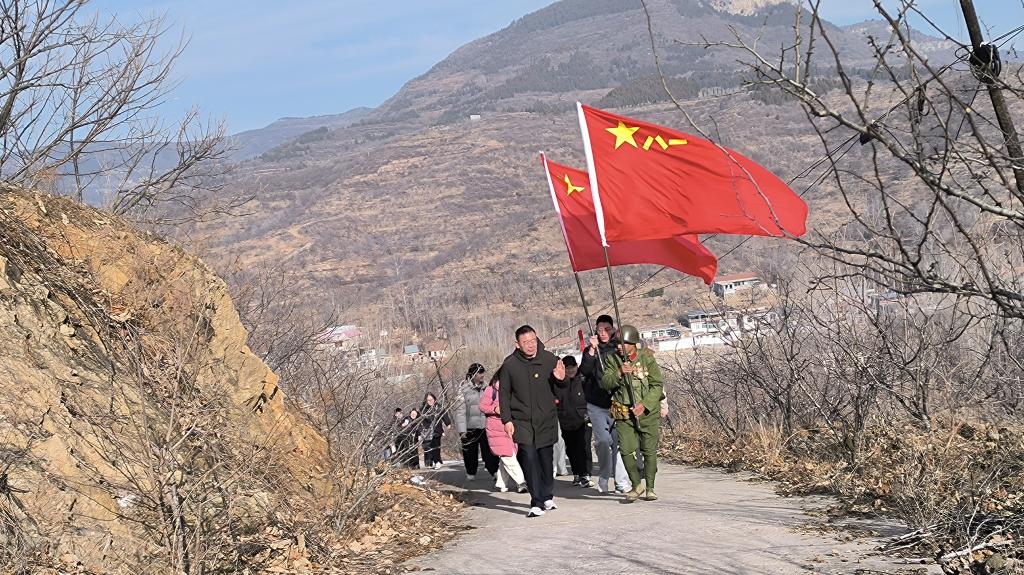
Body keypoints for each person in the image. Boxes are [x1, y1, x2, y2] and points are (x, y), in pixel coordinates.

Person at [499, 325, 566, 517]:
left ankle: (547, 496)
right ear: (517, 344)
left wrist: (561, 380)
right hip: (522, 420)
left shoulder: (549, 359)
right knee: (528, 457)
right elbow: (504, 394)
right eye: (526, 342)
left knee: (546, 459)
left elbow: (562, 389)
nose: (530, 345)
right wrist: (506, 420)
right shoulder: (510, 365)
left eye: (533, 340)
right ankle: (536, 501)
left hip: (546, 418)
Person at [601, 324, 663, 502]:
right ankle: (636, 485)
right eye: (617, 344)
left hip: (647, 413)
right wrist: (619, 373)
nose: (619, 347)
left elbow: (657, 385)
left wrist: (644, 404)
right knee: (626, 450)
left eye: (623, 343)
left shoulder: (647, 358)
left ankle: (650, 488)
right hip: (624, 413)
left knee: (649, 451)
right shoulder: (612, 359)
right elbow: (606, 383)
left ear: (633, 343)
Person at [579, 314, 632, 493]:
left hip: (617, 402)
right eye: (600, 330)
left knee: (618, 442)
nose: (603, 333)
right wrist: (592, 351)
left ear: (613, 330)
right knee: (603, 441)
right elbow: (584, 371)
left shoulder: (618, 347)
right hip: (596, 404)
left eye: (607, 330)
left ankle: (621, 482)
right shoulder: (591, 350)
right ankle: (603, 477)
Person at [478, 371, 527, 493]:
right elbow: (482, 406)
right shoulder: (491, 390)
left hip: (510, 427)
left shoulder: (514, 390)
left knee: (508, 454)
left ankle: (501, 484)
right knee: (507, 455)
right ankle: (521, 482)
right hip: (495, 428)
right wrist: (495, 409)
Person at [454, 363, 499, 480]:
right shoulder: (463, 389)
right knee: (470, 452)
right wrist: (462, 430)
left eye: (483, 372)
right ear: (472, 374)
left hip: (486, 425)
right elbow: (460, 411)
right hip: (470, 426)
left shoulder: (487, 387)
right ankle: (470, 472)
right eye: (479, 373)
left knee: (490, 451)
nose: (482, 375)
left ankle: (494, 471)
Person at [556, 355, 593, 487]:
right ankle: (577, 472)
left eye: (573, 367)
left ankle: (585, 474)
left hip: (583, 419)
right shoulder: (559, 382)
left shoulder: (582, 379)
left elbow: (587, 364)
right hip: (565, 420)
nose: (571, 370)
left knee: (584, 446)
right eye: (568, 368)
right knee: (571, 448)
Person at [420, 393, 451, 469]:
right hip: (427, 431)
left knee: (436, 446)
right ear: (426, 401)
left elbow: (444, 415)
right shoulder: (423, 409)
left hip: (437, 429)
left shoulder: (439, 407)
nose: (430, 401)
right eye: (428, 400)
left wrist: (448, 423)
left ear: (434, 399)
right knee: (428, 447)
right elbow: (419, 419)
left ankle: (437, 461)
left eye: (431, 399)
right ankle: (429, 462)